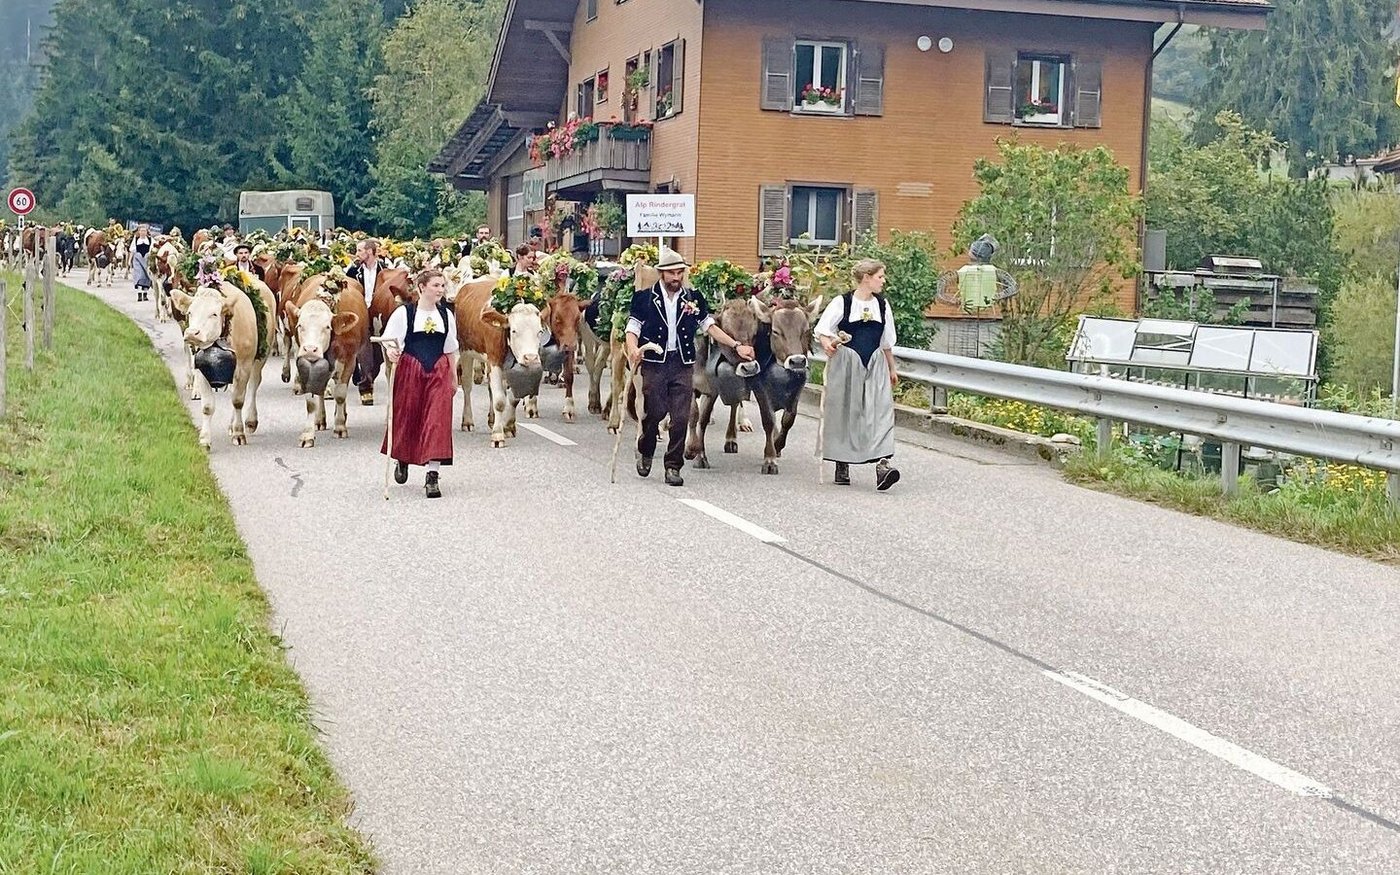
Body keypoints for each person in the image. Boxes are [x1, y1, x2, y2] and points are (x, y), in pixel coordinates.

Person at [625, 246, 755, 487]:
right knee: (654, 413)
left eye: (680, 273)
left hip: (682, 363)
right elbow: (633, 329)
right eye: (672, 273)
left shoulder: (693, 298)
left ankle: (673, 466)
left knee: (681, 417)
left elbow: (710, 327)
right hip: (654, 363)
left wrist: (737, 345)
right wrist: (633, 349)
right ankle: (645, 448)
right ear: (662, 273)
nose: (677, 278)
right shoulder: (644, 298)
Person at [815, 258, 901, 491]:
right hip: (846, 362)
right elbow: (822, 330)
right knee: (847, 411)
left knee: (880, 411)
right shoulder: (842, 303)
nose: (883, 281)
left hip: (875, 362)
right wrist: (827, 344)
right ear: (866, 278)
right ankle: (842, 462)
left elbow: (886, 342)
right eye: (880, 277)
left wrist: (891, 368)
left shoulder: (882, 306)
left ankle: (883, 465)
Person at [381, 269, 459, 498]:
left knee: (437, 421)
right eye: (436, 285)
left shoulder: (446, 316)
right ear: (422, 287)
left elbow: (451, 349)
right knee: (408, 416)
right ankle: (403, 457)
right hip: (411, 368)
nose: (440, 290)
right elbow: (389, 341)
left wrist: (453, 377)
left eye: (442, 286)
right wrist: (392, 351)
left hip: (439, 370)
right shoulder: (405, 314)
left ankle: (432, 476)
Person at [347, 238, 385, 308]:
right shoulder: (352, 272)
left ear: (369, 251)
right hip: (359, 310)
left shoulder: (385, 271)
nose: (356, 254)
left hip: (379, 311)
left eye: (359, 250)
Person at [131, 224, 155, 302]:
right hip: (138, 259)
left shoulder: (150, 240)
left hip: (147, 259)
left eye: (144, 231)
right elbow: (132, 249)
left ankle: (145, 295)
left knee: (146, 276)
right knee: (139, 275)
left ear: (146, 231)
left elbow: (153, 248)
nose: (143, 232)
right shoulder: (136, 239)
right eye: (141, 231)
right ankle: (139, 295)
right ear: (139, 231)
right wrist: (129, 260)